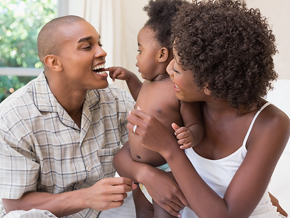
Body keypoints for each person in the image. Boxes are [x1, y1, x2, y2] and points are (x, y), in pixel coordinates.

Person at [114, 0, 290, 217]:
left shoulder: (270, 123)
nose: (168, 68)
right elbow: (125, 154)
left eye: (177, 67)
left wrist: (170, 150)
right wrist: (148, 176)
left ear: (208, 84)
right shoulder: (186, 103)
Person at [0, 15, 137, 218]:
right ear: (54, 62)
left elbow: (147, 152)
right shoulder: (13, 118)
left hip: (100, 212)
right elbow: (15, 206)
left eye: (99, 43)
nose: (102, 52)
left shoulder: (116, 100)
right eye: (87, 47)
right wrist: (86, 197)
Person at [107, 0, 204, 217]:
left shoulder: (178, 90)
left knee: (163, 212)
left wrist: (191, 135)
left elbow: (196, 123)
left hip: (167, 172)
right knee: (142, 211)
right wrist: (131, 78)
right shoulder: (148, 85)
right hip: (139, 173)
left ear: (161, 55)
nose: (137, 58)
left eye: (140, 51)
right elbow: (143, 103)